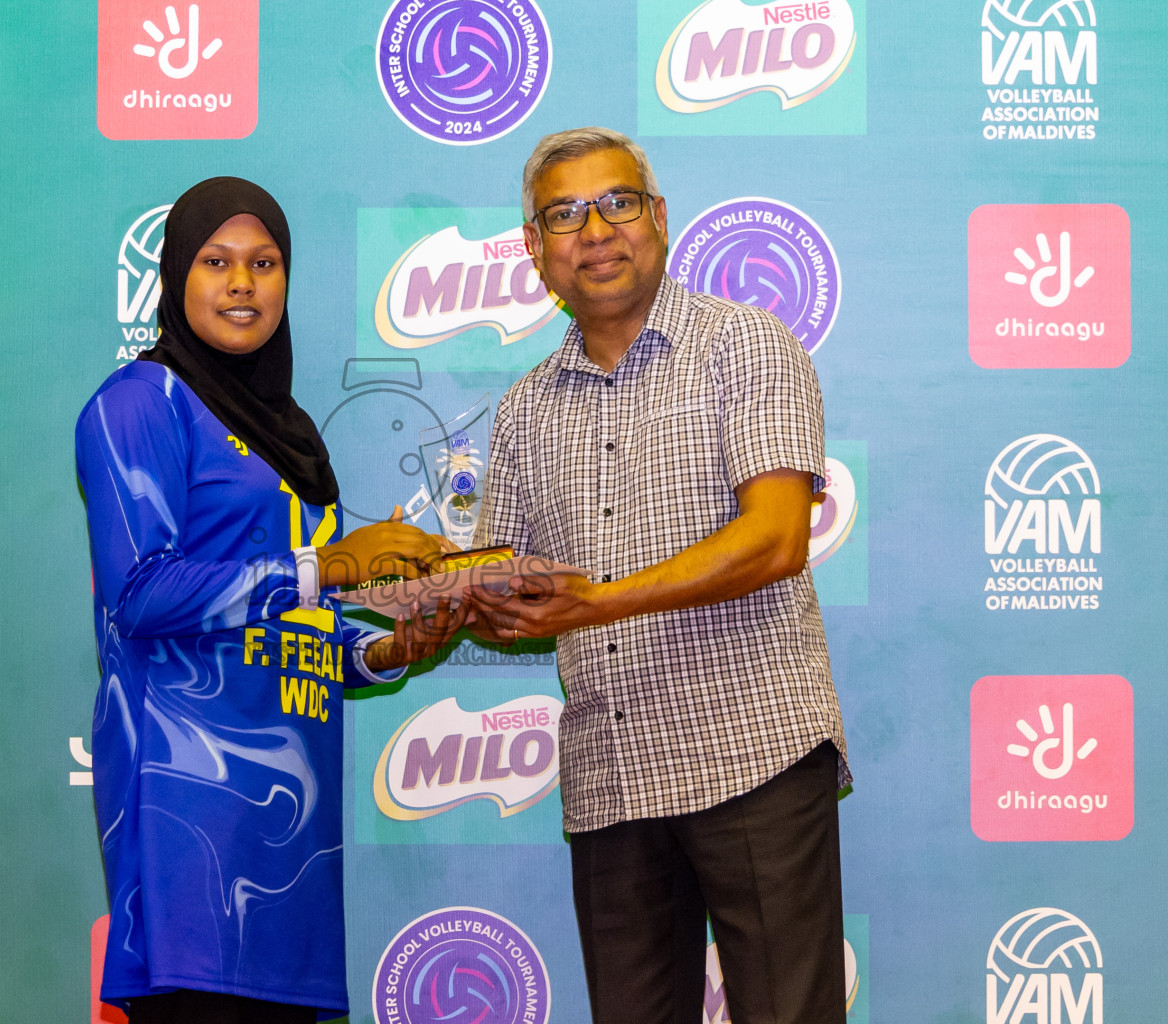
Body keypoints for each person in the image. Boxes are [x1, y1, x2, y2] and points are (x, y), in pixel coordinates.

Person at [466, 128, 851, 1024]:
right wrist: (450, 608)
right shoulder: (524, 408)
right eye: (563, 215)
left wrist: (595, 601)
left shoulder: (745, 345)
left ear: (659, 218)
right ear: (535, 250)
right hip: (610, 778)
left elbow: (775, 540)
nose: (594, 230)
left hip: (750, 751)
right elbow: (505, 591)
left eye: (617, 202)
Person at [76, 176, 464, 1023]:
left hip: (293, 836)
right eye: (216, 261)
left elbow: (284, 627)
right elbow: (140, 594)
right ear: (177, 276)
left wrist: (379, 651)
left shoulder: (286, 431)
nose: (243, 282)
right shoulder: (138, 405)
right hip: (192, 818)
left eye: (264, 262)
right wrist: (331, 567)